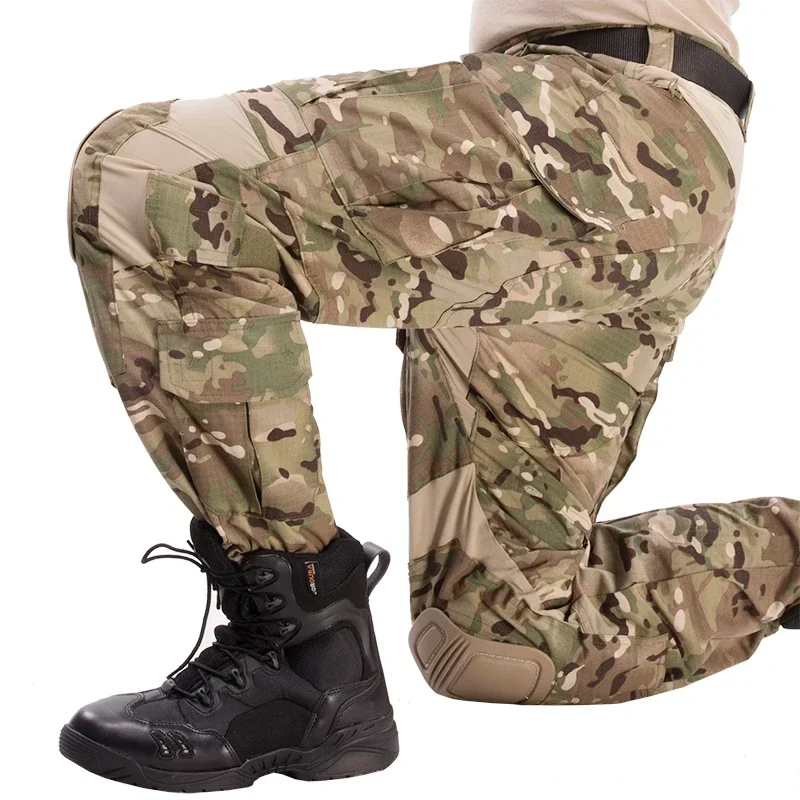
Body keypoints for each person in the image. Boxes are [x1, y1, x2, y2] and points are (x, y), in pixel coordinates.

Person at [60, 0, 799, 791]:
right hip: (633, 174)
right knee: (498, 639)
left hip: (597, 125)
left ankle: (304, 651)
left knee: (156, 177)